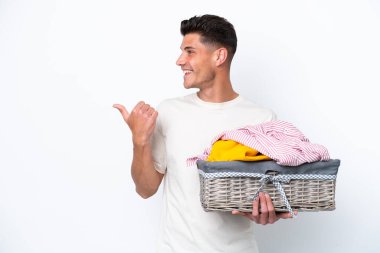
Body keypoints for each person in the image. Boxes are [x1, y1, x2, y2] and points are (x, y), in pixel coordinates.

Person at [113, 14, 296, 253]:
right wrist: (139, 140)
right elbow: (145, 189)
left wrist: (266, 213)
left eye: (190, 51)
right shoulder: (169, 112)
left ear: (219, 56)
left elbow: (268, 197)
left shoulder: (261, 119)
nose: (180, 60)